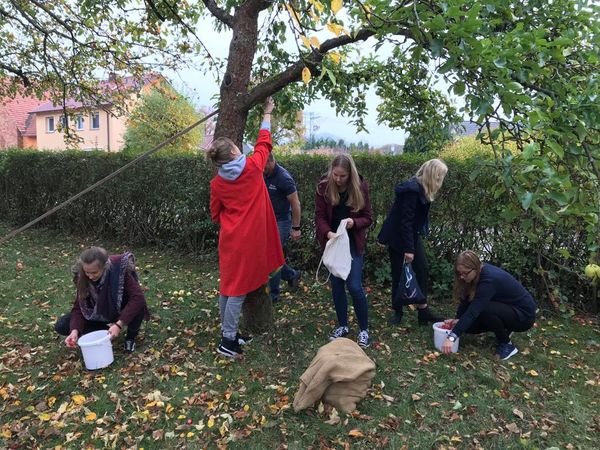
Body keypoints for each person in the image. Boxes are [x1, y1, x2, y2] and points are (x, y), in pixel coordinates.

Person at [208, 97, 284, 358]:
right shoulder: (252, 168)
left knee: (228, 287)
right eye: (236, 146)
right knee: (237, 290)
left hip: (229, 240)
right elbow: (264, 140)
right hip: (247, 241)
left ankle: (230, 333)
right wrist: (267, 111)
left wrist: (232, 219)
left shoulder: (217, 183)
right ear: (232, 153)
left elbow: (215, 214)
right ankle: (227, 341)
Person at [377, 158, 448, 326]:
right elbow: (405, 221)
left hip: (411, 234)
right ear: (433, 175)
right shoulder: (412, 190)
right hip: (398, 236)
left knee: (422, 269)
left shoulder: (423, 189)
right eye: (440, 177)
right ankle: (397, 311)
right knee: (398, 273)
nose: (441, 181)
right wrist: (409, 249)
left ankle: (423, 311)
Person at [315, 154, 373, 348]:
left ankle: (364, 329)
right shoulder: (323, 187)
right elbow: (320, 216)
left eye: (342, 176)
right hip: (333, 242)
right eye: (335, 175)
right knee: (337, 285)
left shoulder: (360, 187)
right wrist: (328, 233)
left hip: (352, 243)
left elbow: (368, 218)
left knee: (354, 286)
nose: (338, 179)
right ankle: (343, 325)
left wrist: (353, 222)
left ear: (350, 175)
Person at [441, 251, 536, 360]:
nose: (461, 277)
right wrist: (457, 321)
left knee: (485, 310)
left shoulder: (489, 279)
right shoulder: (473, 276)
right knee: (468, 327)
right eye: (459, 273)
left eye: (465, 273)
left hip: (524, 316)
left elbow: (474, 311)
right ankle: (504, 327)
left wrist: (452, 337)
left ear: (475, 268)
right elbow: (466, 301)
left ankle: (507, 344)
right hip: (505, 308)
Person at [55, 247, 150, 353]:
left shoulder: (119, 272)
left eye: (94, 273)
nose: (90, 276)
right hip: (98, 312)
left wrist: (119, 324)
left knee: (138, 307)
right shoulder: (82, 277)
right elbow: (79, 308)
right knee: (62, 325)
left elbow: (138, 298)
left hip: (120, 309)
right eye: (87, 272)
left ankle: (130, 338)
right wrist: (74, 330)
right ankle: (103, 332)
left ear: (105, 267)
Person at [264, 153, 302, 302]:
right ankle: (292, 275)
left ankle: (273, 295)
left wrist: (296, 227)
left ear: (272, 161)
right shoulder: (263, 173)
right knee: (272, 256)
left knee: (273, 256)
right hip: (266, 220)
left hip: (281, 222)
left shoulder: (284, 178)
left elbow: (295, 203)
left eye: (265, 164)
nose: (262, 168)